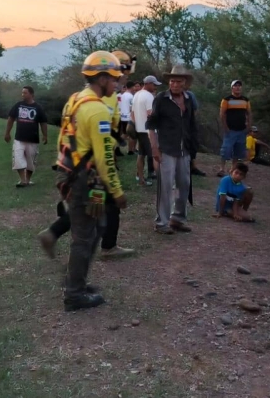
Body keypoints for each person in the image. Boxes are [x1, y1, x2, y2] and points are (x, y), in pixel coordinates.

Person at [36, 53, 136, 260]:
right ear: (104, 78)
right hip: (92, 167)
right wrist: (116, 188)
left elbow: (67, 133)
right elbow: (100, 141)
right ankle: (105, 248)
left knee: (90, 212)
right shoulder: (100, 100)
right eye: (118, 74)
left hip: (79, 164)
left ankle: (56, 234)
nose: (122, 78)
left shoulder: (79, 97)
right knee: (97, 212)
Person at [52, 51, 129, 311]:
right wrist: (117, 192)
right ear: (103, 77)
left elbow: (63, 140)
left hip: (82, 177)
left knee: (97, 228)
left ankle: (77, 281)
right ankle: (74, 294)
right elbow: (105, 154)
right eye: (115, 79)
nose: (117, 83)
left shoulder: (74, 100)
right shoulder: (97, 110)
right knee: (84, 236)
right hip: (85, 180)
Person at [148, 64, 200, 235]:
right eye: (172, 81)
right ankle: (161, 223)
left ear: (185, 83)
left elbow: (192, 125)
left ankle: (178, 218)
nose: (175, 84)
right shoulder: (161, 99)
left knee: (184, 185)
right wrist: (155, 148)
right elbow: (151, 125)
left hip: (184, 149)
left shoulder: (189, 99)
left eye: (178, 81)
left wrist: (193, 151)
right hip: (167, 149)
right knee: (166, 186)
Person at [4, 86, 48, 187]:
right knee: (18, 159)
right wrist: (7, 133)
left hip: (33, 139)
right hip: (19, 138)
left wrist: (45, 135)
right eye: (22, 93)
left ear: (32, 95)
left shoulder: (38, 107)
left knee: (30, 162)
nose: (22, 95)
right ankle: (23, 180)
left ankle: (27, 180)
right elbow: (11, 119)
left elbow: (43, 122)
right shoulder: (18, 105)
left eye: (25, 93)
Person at [217, 80, 251, 177]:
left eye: (239, 86)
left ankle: (233, 169)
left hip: (242, 130)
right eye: (235, 86)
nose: (238, 88)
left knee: (238, 150)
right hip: (230, 130)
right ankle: (222, 168)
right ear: (232, 88)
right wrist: (225, 127)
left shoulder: (245, 100)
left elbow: (248, 113)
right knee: (226, 149)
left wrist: (248, 126)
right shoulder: (226, 100)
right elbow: (222, 113)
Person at [132, 75, 161, 186]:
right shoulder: (149, 96)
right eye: (153, 85)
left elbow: (133, 114)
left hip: (139, 130)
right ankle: (162, 180)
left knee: (141, 154)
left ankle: (140, 179)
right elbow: (151, 115)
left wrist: (137, 126)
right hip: (149, 131)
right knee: (155, 155)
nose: (154, 87)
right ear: (148, 83)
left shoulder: (136, 95)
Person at [119, 82, 134, 153]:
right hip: (128, 118)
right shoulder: (131, 96)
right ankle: (130, 151)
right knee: (131, 134)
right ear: (132, 87)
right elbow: (132, 108)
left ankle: (115, 147)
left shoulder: (122, 95)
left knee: (125, 134)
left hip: (122, 117)